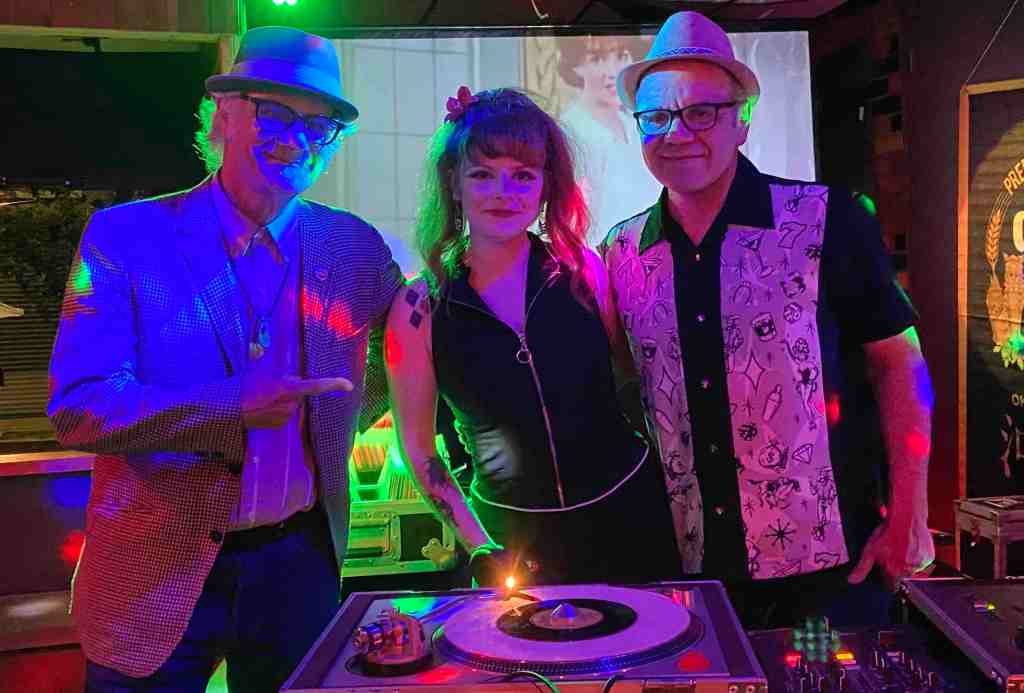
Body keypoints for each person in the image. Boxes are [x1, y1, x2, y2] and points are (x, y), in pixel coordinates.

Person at [47, 26, 403, 692]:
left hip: (298, 566)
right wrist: (234, 405)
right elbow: (80, 405)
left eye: (319, 125)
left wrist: (335, 422)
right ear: (225, 113)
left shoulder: (354, 247)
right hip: (152, 570)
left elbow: (410, 349)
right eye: (275, 112)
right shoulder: (125, 237)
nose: (297, 138)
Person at [601, 11, 935, 628]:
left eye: (702, 112)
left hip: (828, 574)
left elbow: (899, 364)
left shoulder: (827, 219)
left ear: (742, 120)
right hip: (686, 573)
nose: (677, 133)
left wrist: (911, 514)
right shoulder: (620, 253)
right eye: (657, 117)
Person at [384, 86, 680, 588]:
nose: (504, 191)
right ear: (453, 183)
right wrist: (479, 546)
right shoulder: (418, 306)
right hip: (508, 542)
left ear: (546, 186)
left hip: (630, 519)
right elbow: (418, 451)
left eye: (523, 175)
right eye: (483, 174)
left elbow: (633, 384)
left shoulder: (584, 270)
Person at [556, 35, 661, 248]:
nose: (612, 71)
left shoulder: (635, 122)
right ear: (576, 66)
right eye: (597, 59)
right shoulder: (570, 130)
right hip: (599, 256)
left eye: (621, 56)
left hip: (651, 251)